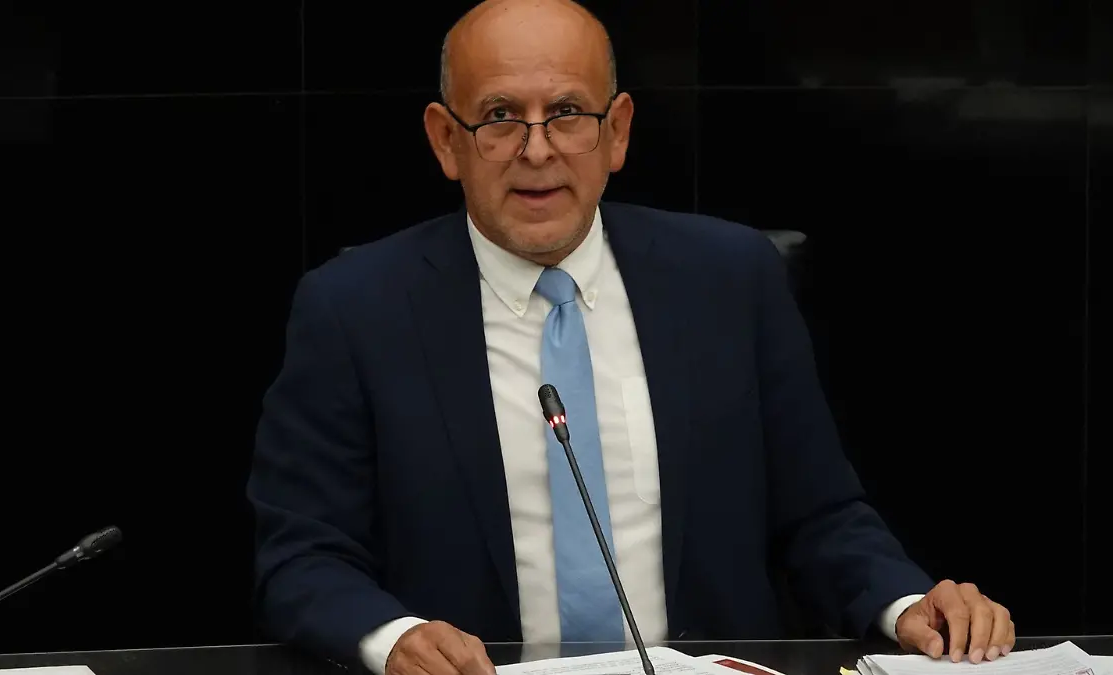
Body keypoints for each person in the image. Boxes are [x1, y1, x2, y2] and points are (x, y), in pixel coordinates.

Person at [247, 0, 1016, 673]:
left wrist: (905, 602)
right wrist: (396, 638)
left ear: (616, 133)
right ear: (447, 140)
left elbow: (818, 515)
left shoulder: (729, 280)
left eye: (567, 113)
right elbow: (301, 555)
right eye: (501, 117)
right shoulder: (355, 310)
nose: (537, 150)